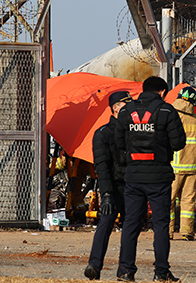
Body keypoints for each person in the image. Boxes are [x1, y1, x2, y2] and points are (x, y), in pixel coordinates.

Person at [115, 76, 186, 282]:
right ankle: (161, 272)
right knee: (161, 224)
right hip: (159, 177)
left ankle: (126, 271)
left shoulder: (126, 111)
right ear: (162, 92)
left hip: (134, 175)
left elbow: (119, 142)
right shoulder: (166, 111)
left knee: (131, 223)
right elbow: (179, 142)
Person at [85, 91, 132, 280]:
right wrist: (105, 194)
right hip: (112, 187)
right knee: (105, 223)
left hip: (131, 186)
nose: (130, 109)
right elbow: (101, 167)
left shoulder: (132, 131)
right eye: (125, 105)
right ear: (115, 108)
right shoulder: (103, 133)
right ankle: (94, 266)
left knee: (130, 228)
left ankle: (125, 271)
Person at [169, 86, 196, 241]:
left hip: (174, 167)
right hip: (193, 167)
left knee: (168, 199)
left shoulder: (171, 117)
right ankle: (187, 232)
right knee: (188, 201)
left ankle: (167, 231)